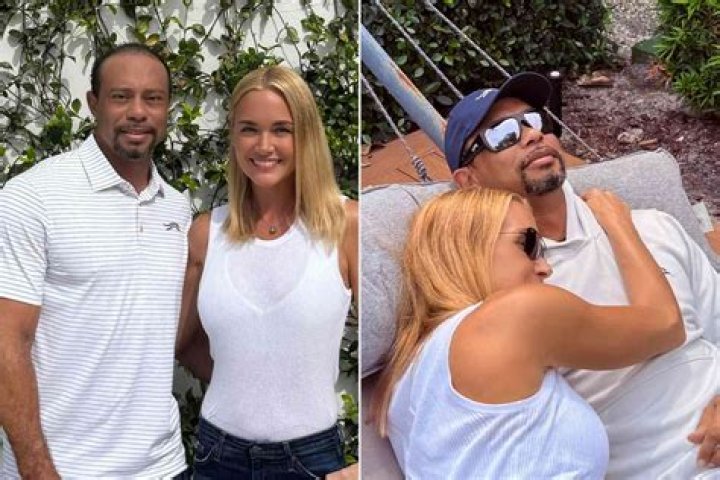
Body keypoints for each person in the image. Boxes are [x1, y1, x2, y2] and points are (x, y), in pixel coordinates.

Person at [443, 72, 720, 478]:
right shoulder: (501, 288)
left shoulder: (652, 226)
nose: (532, 135)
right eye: (502, 134)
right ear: (468, 181)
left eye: (535, 120)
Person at [372, 186, 683, 478]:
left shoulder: (403, 381)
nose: (546, 267)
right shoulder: (515, 316)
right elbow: (666, 324)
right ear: (469, 244)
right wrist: (618, 223)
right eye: (529, 244)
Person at [0, 44, 189, 477]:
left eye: (153, 98)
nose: (138, 112)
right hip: (63, 469)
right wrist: (36, 467)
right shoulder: (33, 197)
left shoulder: (176, 207)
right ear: (93, 103)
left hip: (163, 467)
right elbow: (6, 340)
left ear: (167, 109)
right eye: (121, 97)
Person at [176, 65, 359, 479]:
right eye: (249, 129)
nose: (263, 145)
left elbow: (394, 345)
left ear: (306, 135)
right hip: (217, 457)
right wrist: (250, 383)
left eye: (281, 129)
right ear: (233, 137)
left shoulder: (345, 226)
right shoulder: (206, 233)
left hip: (311, 459)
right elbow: (183, 341)